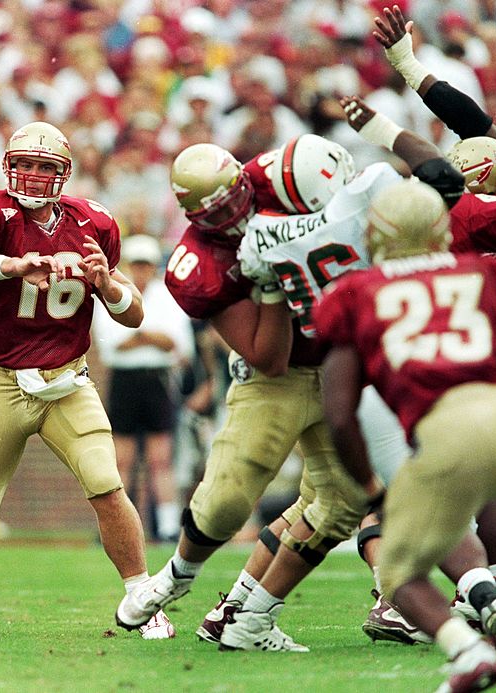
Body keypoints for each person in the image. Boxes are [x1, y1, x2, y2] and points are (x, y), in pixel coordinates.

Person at [317, 178, 496, 693]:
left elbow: (340, 416)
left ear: (376, 233)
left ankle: (469, 651)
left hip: (442, 430)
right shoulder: (485, 272)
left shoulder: (354, 294)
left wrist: (371, 492)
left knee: (399, 572)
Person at [0, 121, 174, 640]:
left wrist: (107, 285)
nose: (34, 175)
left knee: (107, 485)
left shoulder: (92, 223)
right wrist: (15, 266)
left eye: (45, 166)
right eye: (25, 164)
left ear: (64, 173)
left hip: (67, 382)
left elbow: (134, 314)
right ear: (8, 166)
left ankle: (142, 597)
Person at [116, 141, 350, 652]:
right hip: (278, 377)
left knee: (343, 503)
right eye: (218, 211)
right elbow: (269, 358)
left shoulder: (285, 176)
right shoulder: (199, 262)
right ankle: (177, 575)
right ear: (194, 217)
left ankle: (249, 614)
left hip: (342, 361)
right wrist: (272, 284)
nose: (236, 214)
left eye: (237, 197)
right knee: (226, 498)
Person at [91, 233, 195, 542]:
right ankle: (118, 525)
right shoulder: (114, 291)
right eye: (136, 264)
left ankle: (167, 527)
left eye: (146, 264)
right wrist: (152, 338)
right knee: (121, 459)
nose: (141, 270)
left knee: (160, 458)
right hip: (125, 380)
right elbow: (111, 345)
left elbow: (177, 344)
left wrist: (139, 337)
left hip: (156, 380)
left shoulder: (166, 297)